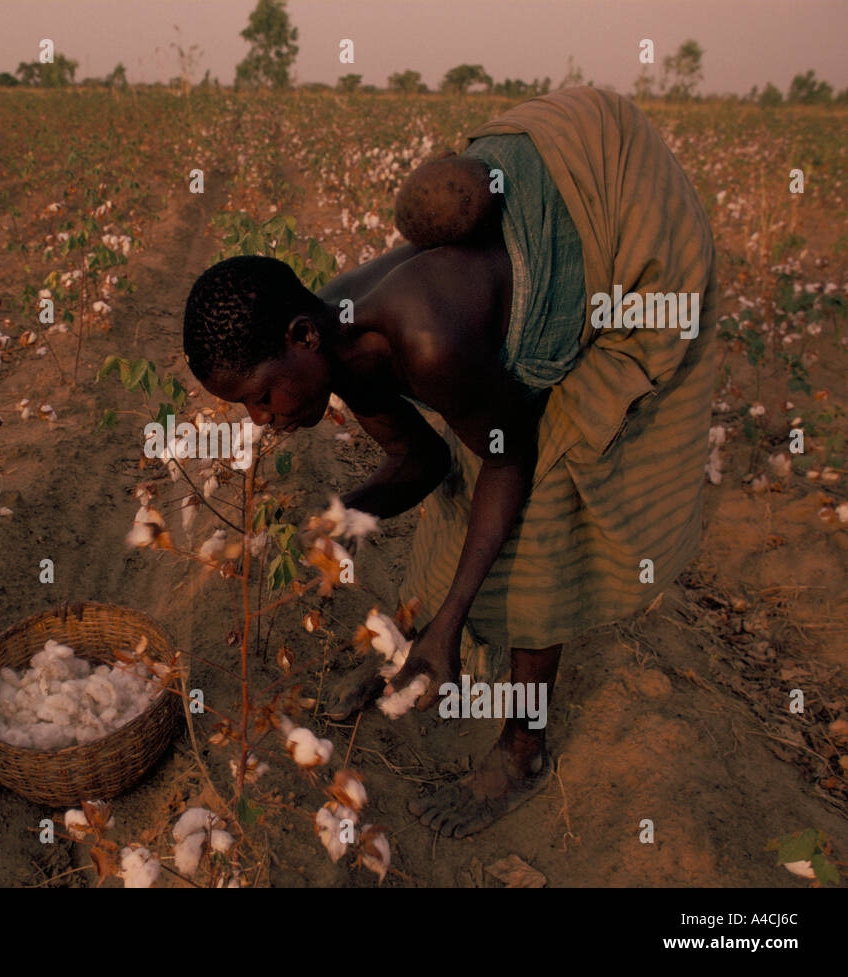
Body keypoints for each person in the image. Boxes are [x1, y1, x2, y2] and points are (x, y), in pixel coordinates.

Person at [181, 86, 720, 837]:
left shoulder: (424, 337)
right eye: (246, 409)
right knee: (466, 479)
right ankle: (416, 648)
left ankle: (521, 748)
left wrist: (451, 620)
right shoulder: (340, 346)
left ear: (302, 336)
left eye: (261, 397)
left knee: (543, 498)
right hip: (542, 168)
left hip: (624, 212)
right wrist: (340, 520)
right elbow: (424, 460)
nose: (262, 420)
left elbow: (508, 459)